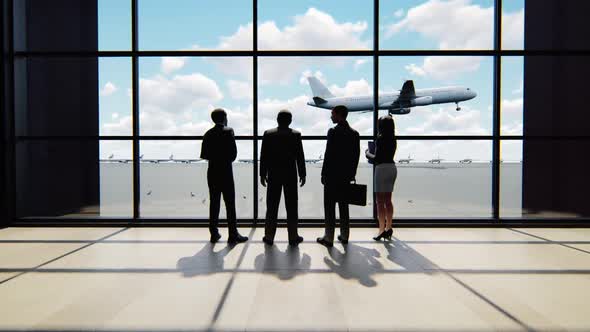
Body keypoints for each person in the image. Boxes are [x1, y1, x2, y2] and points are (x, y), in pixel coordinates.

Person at [200, 108, 248, 244]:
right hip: (226, 171)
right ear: (225, 118)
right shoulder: (229, 131)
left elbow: (205, 155)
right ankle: (233, 234)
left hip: (212, 171)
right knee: (230, 204)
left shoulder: (208, 134)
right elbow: (233, 154)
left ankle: (214, 233)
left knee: (214, 203)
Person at [260, 110, 306, 246]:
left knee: (272, 206)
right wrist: (302, 174)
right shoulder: (296, 135)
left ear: (277, 119)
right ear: (290, 121)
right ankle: (293, 236)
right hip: (290, 175)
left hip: (274, 174)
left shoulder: (268, 134)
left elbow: (264, 156)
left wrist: (262, 174)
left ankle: (269, 236)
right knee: (292, 206)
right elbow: (300, 157)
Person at [317, 105, 360, 247]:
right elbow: (356, 156)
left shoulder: (333, 132)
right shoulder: (354, 134)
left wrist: (323, 173)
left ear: (339, 115)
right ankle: (344, 235)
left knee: (329, 207)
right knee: (344, 205)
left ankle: (329, 237)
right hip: (346, 176)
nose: (331, 116)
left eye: (332, 114)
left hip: (332, 175)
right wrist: (352, 173)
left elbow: (328, 155)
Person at [366, 115, 397, 241]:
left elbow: (376, 158)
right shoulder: (393, 139)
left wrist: (367, 152)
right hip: (392, 168)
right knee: (388, 200)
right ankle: (389, 227)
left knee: (380, 202)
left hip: (382, 169)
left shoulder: (380, 138)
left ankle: (381, 230)